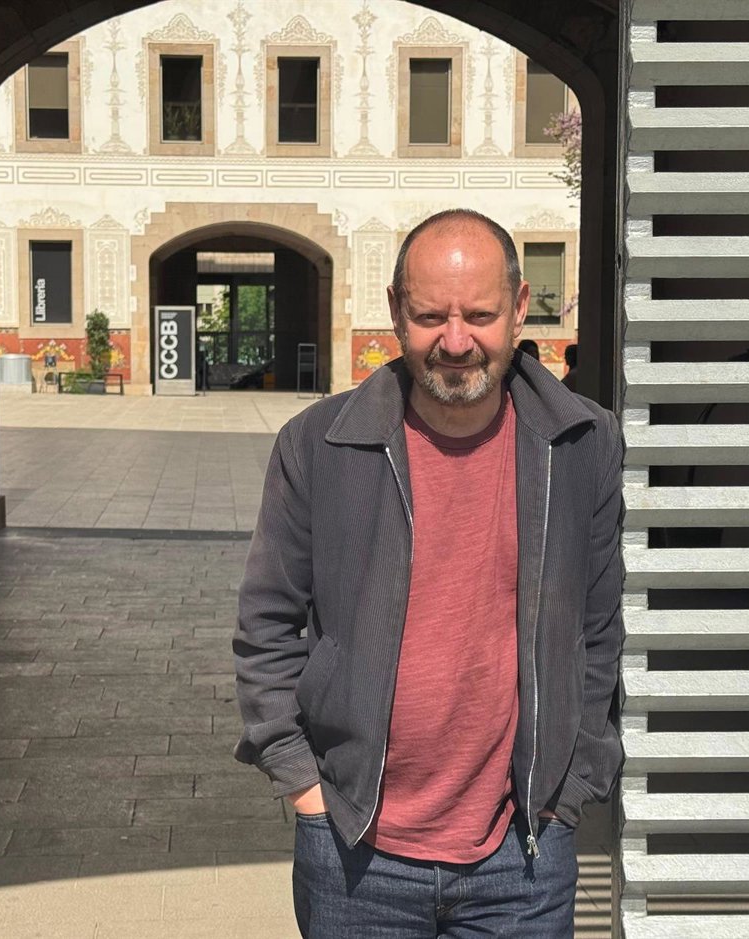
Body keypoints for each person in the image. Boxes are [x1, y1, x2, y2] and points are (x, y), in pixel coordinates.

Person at [233, 208, 624, 938]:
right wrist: (303, 785)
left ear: (518, 308)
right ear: (394, 311)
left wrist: (570, 791)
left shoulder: (581, 445)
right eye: (429, 316)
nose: (455, 341)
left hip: (524, 856)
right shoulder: (319, 446)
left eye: (479, 315)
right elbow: (265, 628)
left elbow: (598, 632)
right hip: (355, 852)